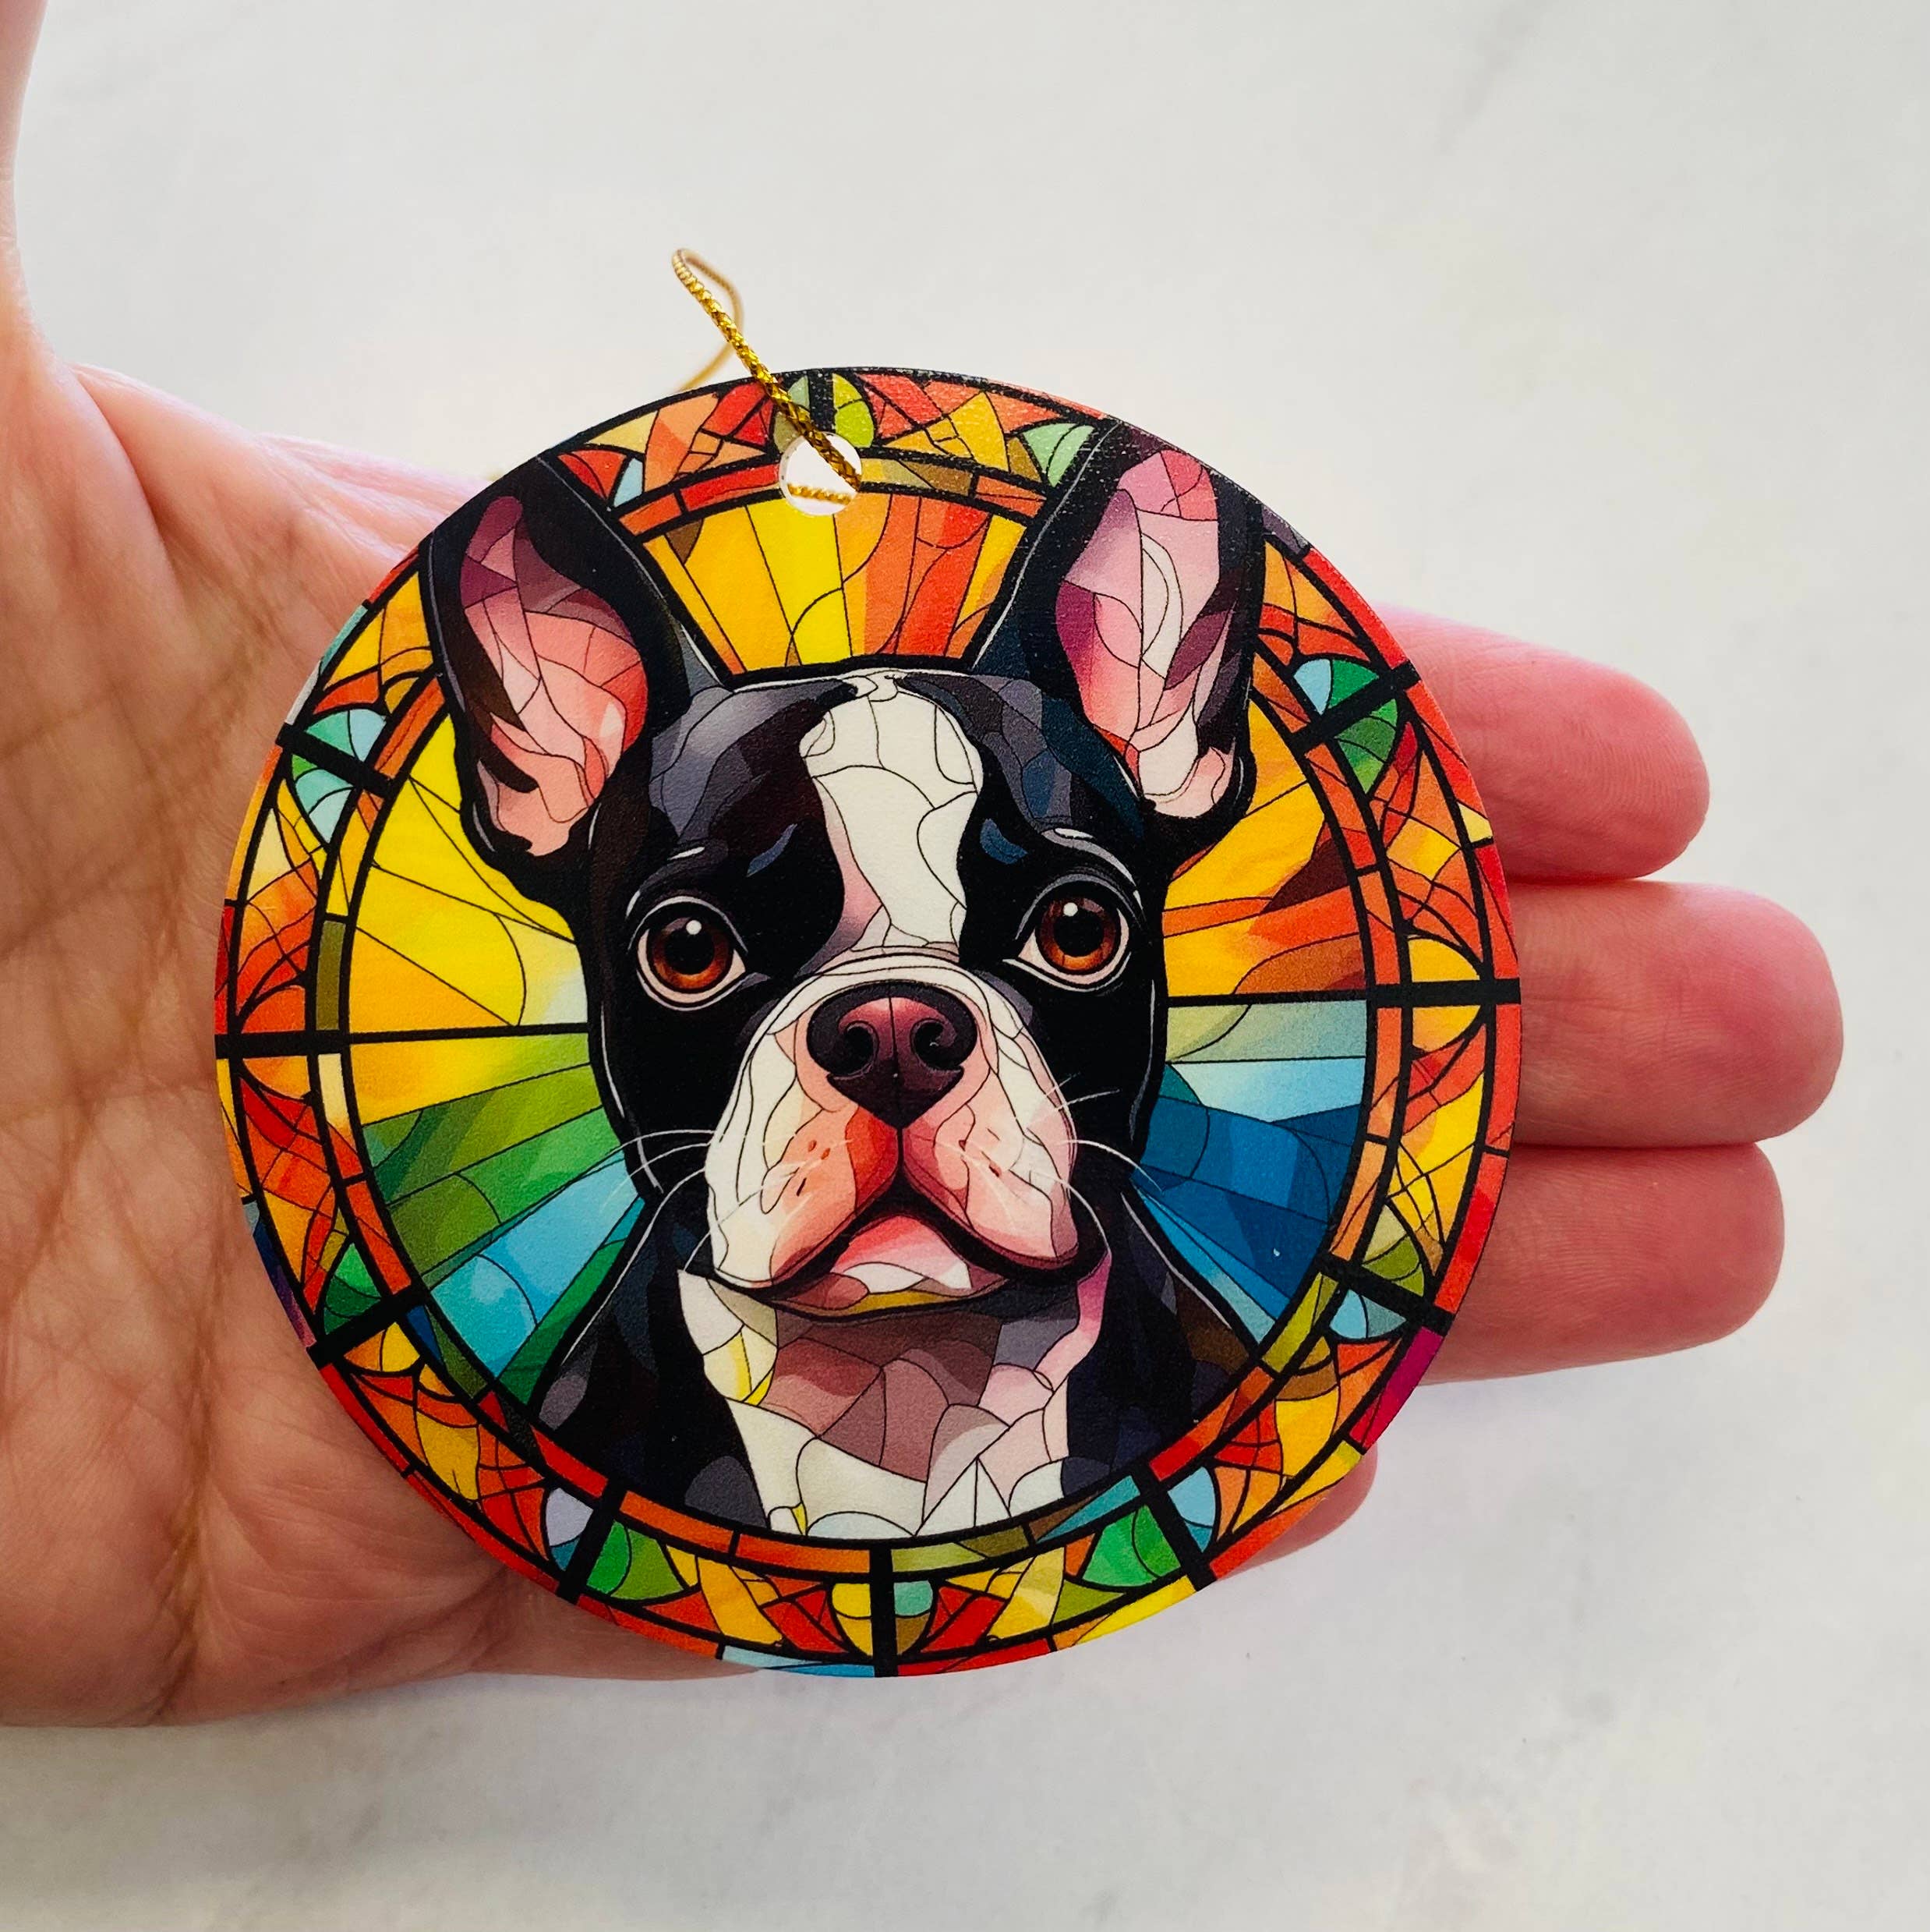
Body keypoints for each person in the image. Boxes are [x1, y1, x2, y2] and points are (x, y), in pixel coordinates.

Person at [0, 1, 1840, 1725]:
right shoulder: (566, 1433)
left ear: (1175, 743)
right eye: (701, 953)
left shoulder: (1203, 1401)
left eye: (1060, 929)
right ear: (535, 785)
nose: (893, 1033)